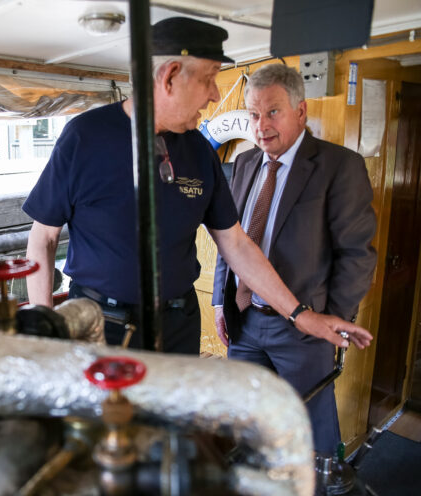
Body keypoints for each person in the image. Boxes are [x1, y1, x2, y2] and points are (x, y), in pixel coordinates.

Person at [23, 17, 372, 357]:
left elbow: (235, 243)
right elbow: (44, 238)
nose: (215, 94)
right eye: (209, 79)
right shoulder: (84, 137)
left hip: (178, 325)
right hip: (101, 325)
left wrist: (301, 314)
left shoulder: (198, 150)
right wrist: (44, 329)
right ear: (171, 77)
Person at [211, 63, 377, 454]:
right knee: (248, 425)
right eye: (253, 115)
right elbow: (231, 239)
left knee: (311, 434)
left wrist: (324, 321)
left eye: (273, 112)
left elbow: (356, 254)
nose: (260, 125)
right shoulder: (246, 164)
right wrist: (221, 299)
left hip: (303, 332)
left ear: (300, 112)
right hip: (245, 320)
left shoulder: (340, 167)